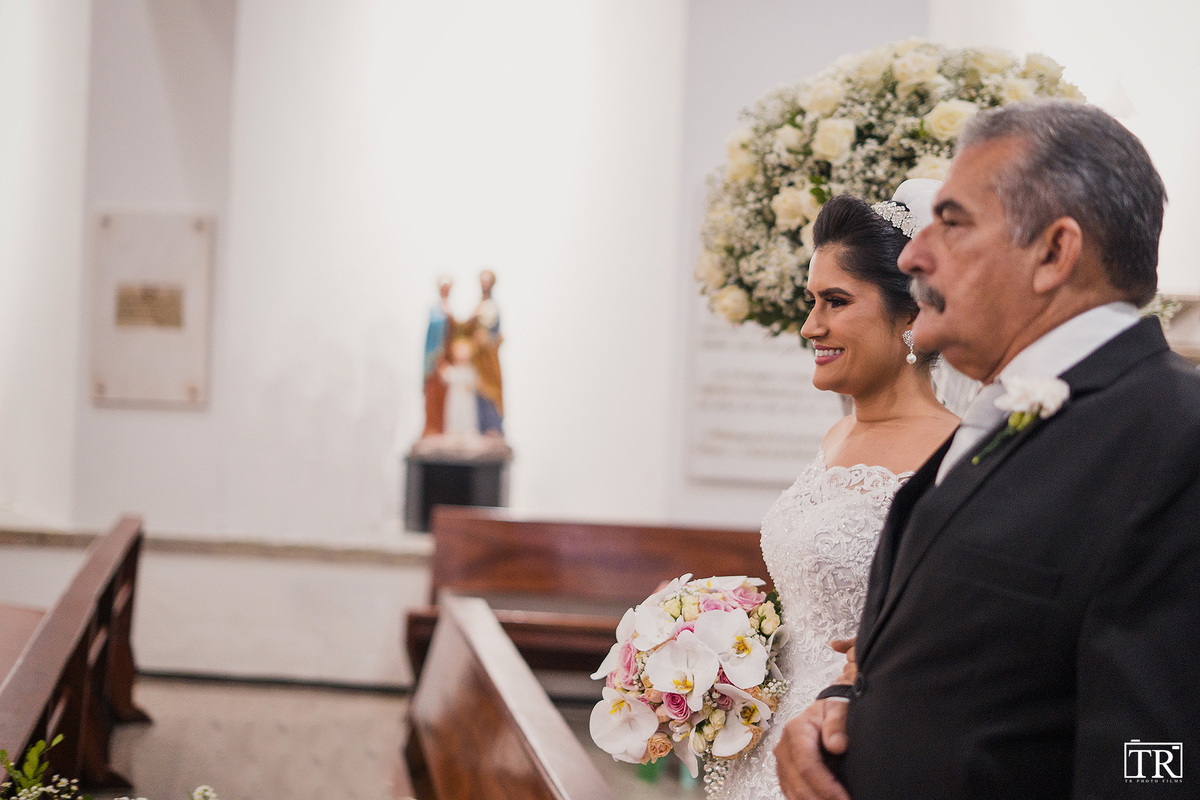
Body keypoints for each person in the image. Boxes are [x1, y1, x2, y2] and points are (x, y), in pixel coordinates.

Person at [774, 101, 1200, 799]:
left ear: (1054, 252)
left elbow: (1160, 756)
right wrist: (841, 707)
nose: (913, 255)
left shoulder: (1174, 437)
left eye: (953, 222)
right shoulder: (994, 417)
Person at [712, 182, 959, 798]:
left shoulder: (953, 454)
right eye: (811, 300)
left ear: (911, 312)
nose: (809, 325)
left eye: (835, 301)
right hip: (765, 750)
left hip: (851, 752)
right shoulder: (835, 435)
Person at [466, 269, 504, 436]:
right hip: (478, 358)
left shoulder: (493, 305)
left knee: (491, 391)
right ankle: (482, 428)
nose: (484, 283)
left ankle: (493, 427)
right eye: (482, 280)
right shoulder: (478, 305)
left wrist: (487, 340)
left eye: (487, 280)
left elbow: (497, 334)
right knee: (478, 390)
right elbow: (468, 328)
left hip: (489, 358)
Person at [421, 275, 454, 437]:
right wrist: (435, 358)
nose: (445, 289)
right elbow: (431, 338)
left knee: (446, 396)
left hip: (445, 361)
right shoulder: (435, 310)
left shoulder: (449, 310)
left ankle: (442, 429)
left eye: (447, 287)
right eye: (443, 286)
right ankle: (432, 427)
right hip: (433, 362)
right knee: (432, 394)